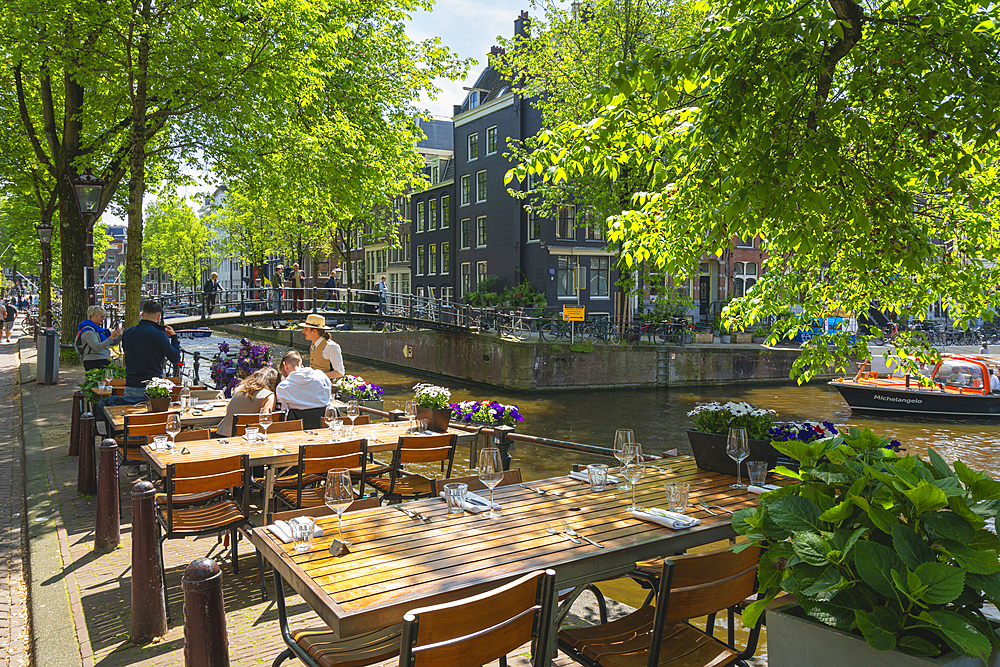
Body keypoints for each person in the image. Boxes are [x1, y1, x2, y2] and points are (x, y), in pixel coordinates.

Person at [120, 301, 181, 399]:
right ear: (158, 317)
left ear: (142, 314)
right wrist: (174, 337)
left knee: (131, 412)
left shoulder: (127, 332)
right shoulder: (158, 335)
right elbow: (175, 358)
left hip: (131, 383)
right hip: (152, 386)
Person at [275, 350, 333, 428]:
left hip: (298, 431)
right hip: (324, 427)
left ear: (285, 365)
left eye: (284, 373)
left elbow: (282, 412)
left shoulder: (283, 387)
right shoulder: (322, 377)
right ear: (301, 366)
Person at [216, 367, 279, 437]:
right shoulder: (269, 395)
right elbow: (265, 419)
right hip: (248, 436)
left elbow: (228, 409)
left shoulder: (238, 389)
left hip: (222, 433)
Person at [76, 305, 123, 371]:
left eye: (104, 317)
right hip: (94, 361)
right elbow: (97, 347)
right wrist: (112, 337)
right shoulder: (88, 331)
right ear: (93, 316)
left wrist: (120, 336)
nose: (103, 319)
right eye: (101, 317)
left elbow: (110, 343)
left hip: (103, 359)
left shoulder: (98, 330)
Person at [300, 313, 345, 379]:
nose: (303, 331)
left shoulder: (331, 346)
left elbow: (340, 372)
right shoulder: (314, 344)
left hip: (325, 386)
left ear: (314, 331)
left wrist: (317, 377)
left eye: (306, 329)